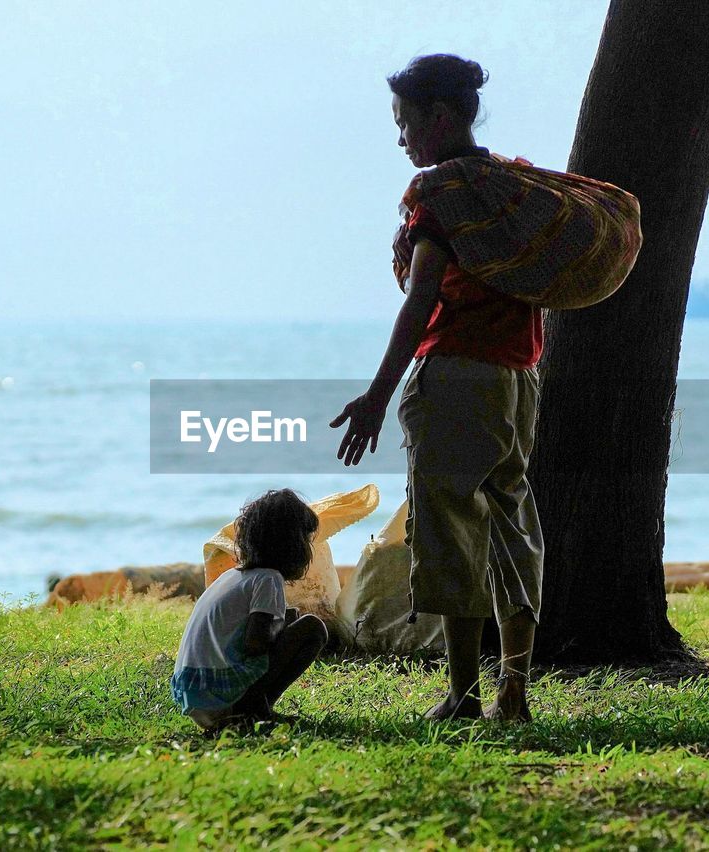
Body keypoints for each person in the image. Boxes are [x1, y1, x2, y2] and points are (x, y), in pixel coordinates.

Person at [330, 54, 544, 723]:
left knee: (448, 535)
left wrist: (375, 395)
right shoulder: (514, 186)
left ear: (440, 117)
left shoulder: (439, 195)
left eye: (405, 123)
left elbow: (421, 300)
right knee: (513, 529)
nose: (402, 140)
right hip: (520, 378)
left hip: (455, 378)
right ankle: (515, 690)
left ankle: (463, 694)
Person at [171, 488, 329, 731]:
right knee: (312, 628)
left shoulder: (231, 577)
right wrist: (281, 631)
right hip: (219, 695)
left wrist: (283, 623)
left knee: (291, 617)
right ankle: (253, 711)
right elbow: (255, 644)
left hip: (195, 692)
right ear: (292, 546)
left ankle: (250, 709)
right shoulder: (268, 579)